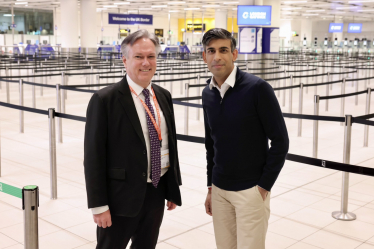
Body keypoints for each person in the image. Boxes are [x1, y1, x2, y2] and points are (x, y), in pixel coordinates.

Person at [84, 29, 182, 249]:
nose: (145, 63)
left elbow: (168, 144)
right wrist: (99, 205)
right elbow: (93, 157)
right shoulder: (105, 100)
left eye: (151, 56)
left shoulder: (163, 95)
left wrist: (172, 188)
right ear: (125, 59)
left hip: (156, 191)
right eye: (138, 56)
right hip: (120, 197)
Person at [202, 28, 289, 249]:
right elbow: (211, 143)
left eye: (223, 50)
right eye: (211, 51)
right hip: (220, 189)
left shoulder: (257, 88)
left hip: (250, 190)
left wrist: (263, 187)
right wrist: (211, 187)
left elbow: (280, 140)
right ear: (204, 56)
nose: (217, 56)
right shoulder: (208, 93)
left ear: (234, 54)